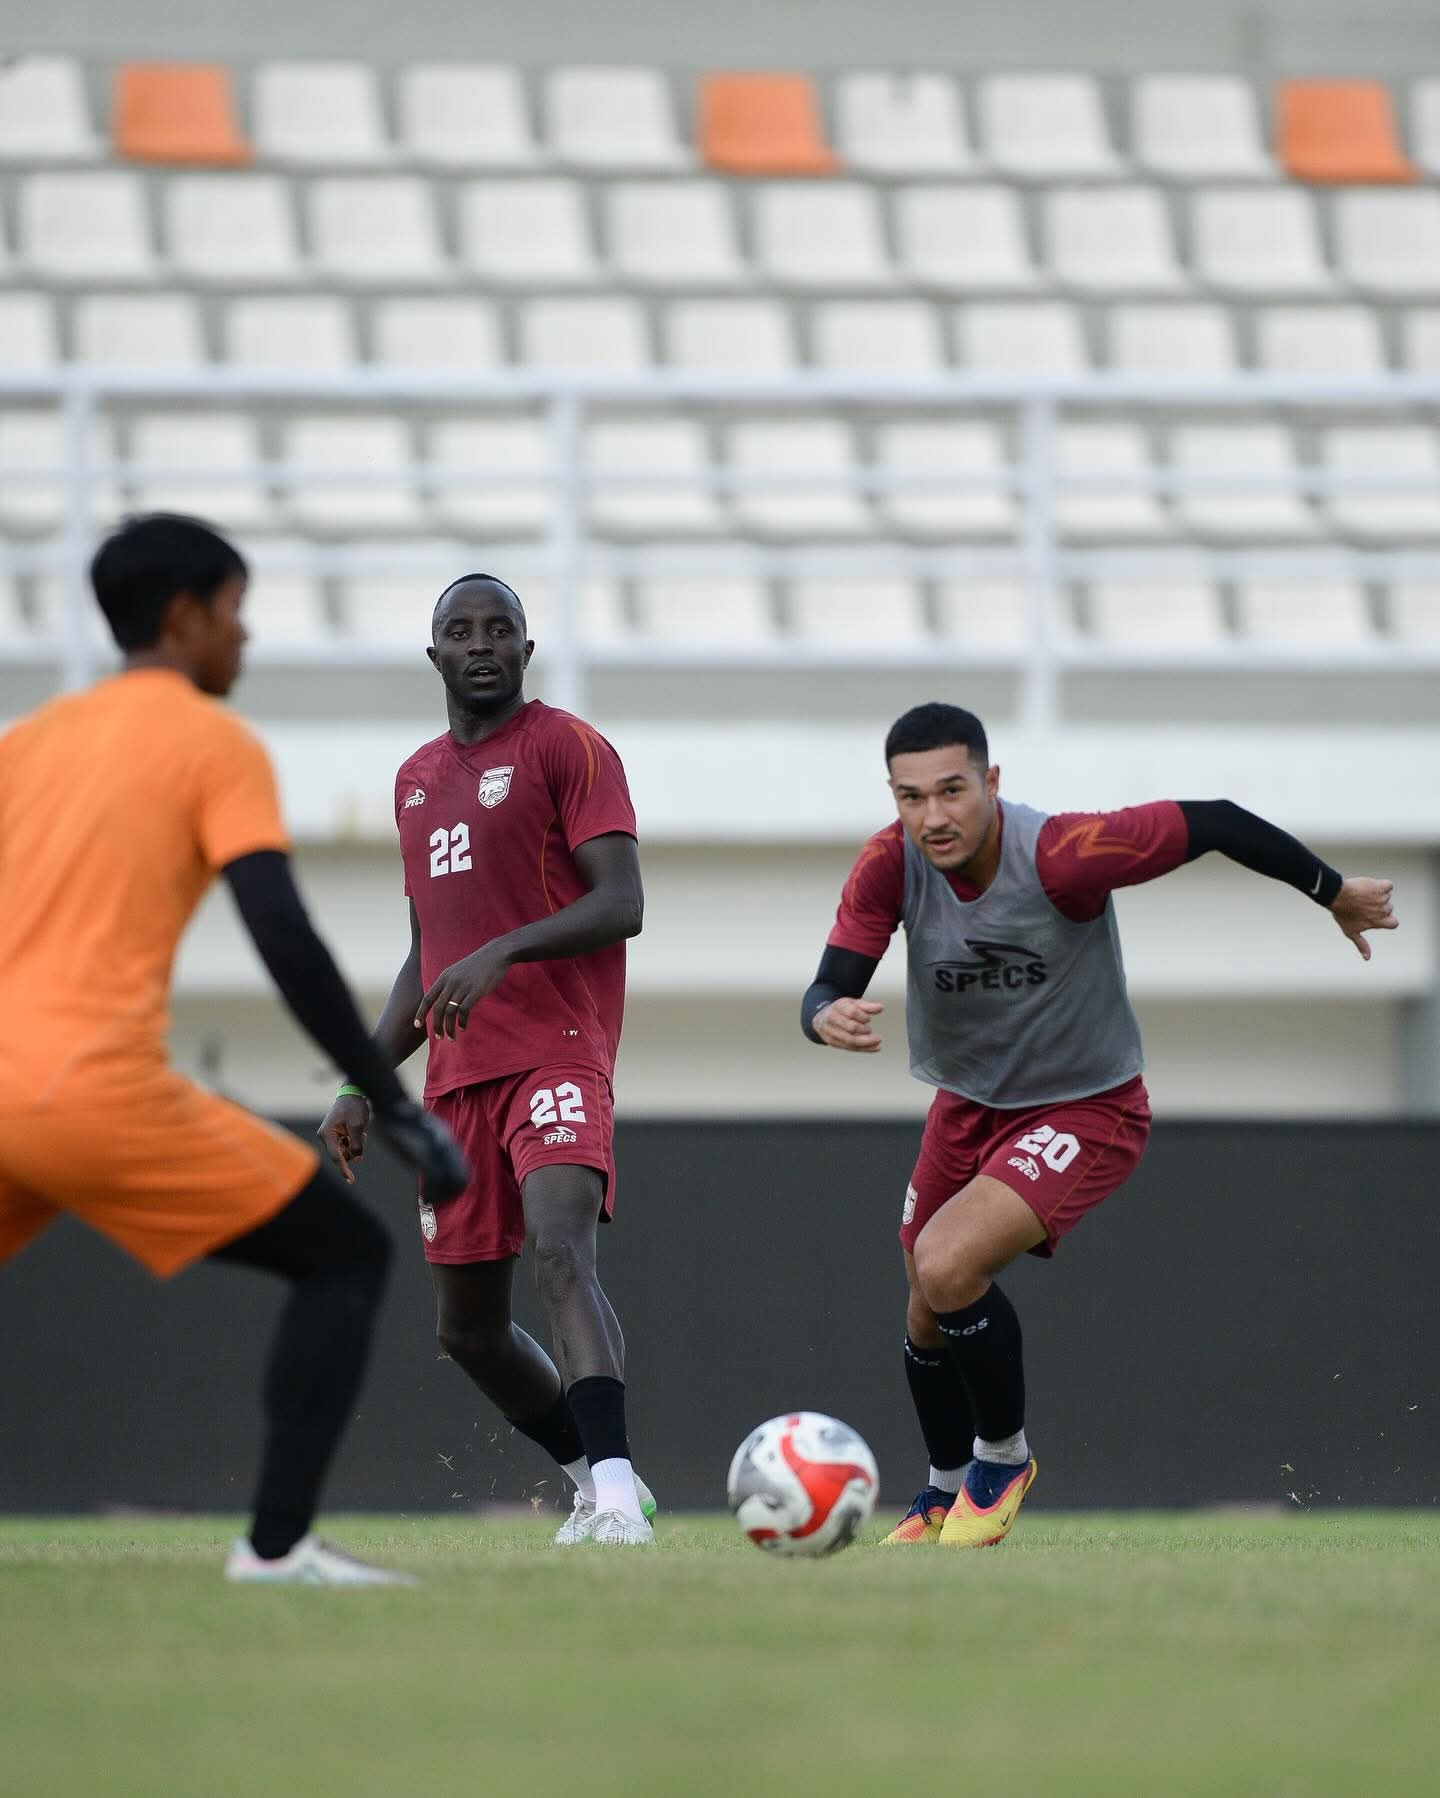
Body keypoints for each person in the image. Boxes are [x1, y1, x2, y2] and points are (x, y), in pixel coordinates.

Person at [801, 701, 1398, 1550]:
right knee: (924, 1308)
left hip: (1087, 1105)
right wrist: (824, 1016)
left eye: (951, 790)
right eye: (909, 796)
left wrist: (1332, 892)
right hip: (966, 1105)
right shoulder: (888, 865)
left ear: (992, 783)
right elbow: (827, 984)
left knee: (948, 1261)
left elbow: (1216, 822)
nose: (932, 816)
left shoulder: (1062, 855)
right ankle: (938, 1494)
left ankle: (1001, 1459)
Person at [0, 514, 468, 1587]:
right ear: (183, 617)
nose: (243, 638)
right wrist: (393, 1106)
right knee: (343, 1255)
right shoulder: (213, 744)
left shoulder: (27, 741)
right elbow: (286, 939)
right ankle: (275, 1547)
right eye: (235, 612)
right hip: (89, 1092)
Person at [316, 574, 655, 1546]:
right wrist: (359, 1083)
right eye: (459, 630)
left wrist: (503, 949)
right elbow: (427, 957)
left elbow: (622, 899)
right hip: (454, 1083)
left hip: (556, 1049)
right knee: (465, 1329)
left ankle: (622, 1499)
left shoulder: (568, 747)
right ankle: (593, 1477)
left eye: (499, 628)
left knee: (561, 1248)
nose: (480, 643)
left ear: (524, 649)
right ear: (434, 655)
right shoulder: (415, 782)